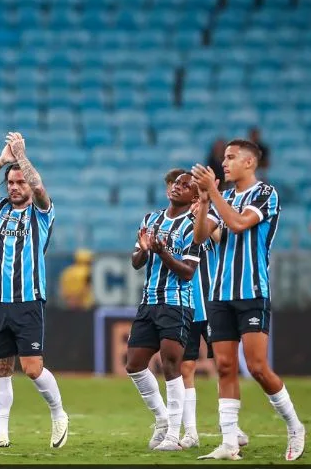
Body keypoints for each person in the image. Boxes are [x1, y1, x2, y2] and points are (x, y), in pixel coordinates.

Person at [191, 139, 305, 461]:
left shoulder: (265, 193)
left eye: (231, 157)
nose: (224, 163)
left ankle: (295, 426)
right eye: (224, 158)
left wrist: (213, 194)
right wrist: (204, 202)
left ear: (250, 162)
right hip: (219, 293)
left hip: (252, 291)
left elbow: (239, 224)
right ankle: (229, 442)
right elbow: (202, 236)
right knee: (225, 366)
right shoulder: (224, 197)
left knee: (256, 367)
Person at [0, 132, 69, 449]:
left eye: (20, 182)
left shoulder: (41, 213)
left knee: (32, 369)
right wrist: (2, 160)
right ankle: (0, 433)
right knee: (1, 368)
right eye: (11, 183)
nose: (14, 187)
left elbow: (39, 188)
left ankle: (58, 414)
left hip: (28, 300)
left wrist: (22, 156)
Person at [124, 170, 208, 451]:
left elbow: (188, 272)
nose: (177, 187)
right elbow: (136, 262)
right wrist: (144, 250)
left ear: (194, 196)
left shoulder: (194, 226)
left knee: (171, 366)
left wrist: (162, 252)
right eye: (176, 183)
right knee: (134, 364)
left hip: (177, 303)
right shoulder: (151, 219)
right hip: (149, 301)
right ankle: (162, 419)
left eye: (186, 185)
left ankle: (173, 435)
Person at [179, 187, 248, 451]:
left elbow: (221, 240)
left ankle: (230, 425)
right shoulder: (179, 226)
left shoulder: (214, 222)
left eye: (200, 199)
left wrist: (206, 214)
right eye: (194, 199)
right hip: (187, 305)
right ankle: (190, 432)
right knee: (186, 367)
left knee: (224, 364)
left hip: (214, 304)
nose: (196, 203)